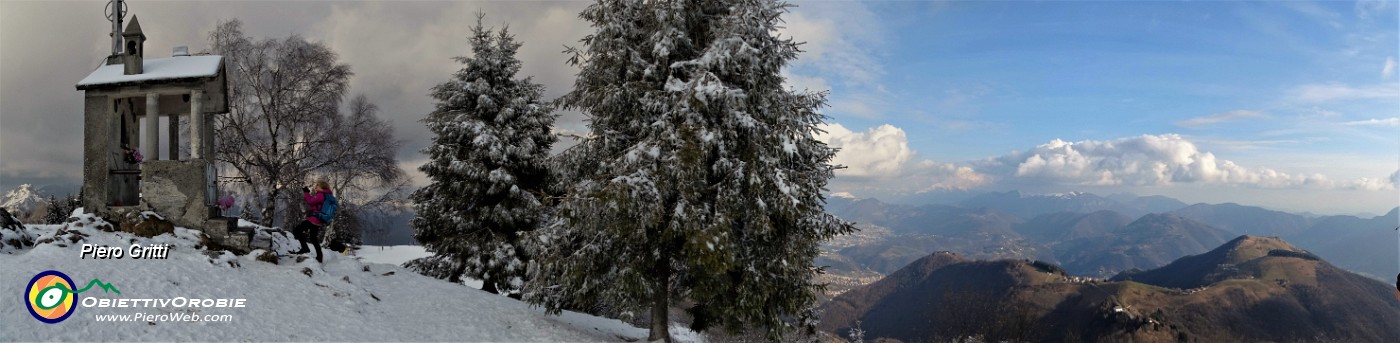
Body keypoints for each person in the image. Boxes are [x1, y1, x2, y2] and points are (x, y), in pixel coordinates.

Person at [291, 180, 333, 263]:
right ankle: (319, 257)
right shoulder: (325, 195)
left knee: (297, 230)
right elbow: (314, 203)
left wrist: (306, 193)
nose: (316, 187)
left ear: (322, 187)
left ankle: (305, 248)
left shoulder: (321, 195)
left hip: (314, 219)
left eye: (317, 185)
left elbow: (310, 201)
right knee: (313, 238)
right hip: (318, 220)